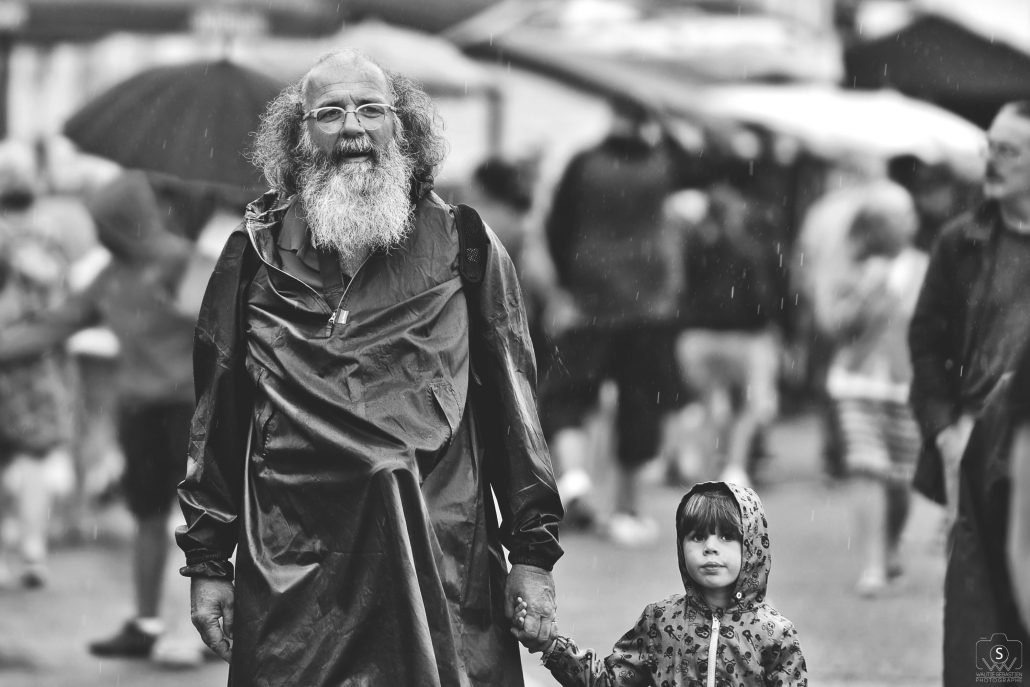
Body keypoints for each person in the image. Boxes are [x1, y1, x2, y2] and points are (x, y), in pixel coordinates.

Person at [174, 49, 563, 686]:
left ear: (400, 127)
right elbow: (217, 418)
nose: (353, 126)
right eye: (329, 112)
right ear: (299, 138)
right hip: (295, 571)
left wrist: (533, 554)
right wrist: (209, 563)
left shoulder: (462, 241)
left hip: (437, 555)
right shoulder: (252, 253)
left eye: (370, 109)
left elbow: (513, 408)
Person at [0, 170, 208, 659]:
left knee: (199, 524)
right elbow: (57, 323)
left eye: (107, 223)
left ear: (128, 221)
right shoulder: (111, 274)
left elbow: (220, 327)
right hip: (140, 409)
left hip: (191, 411)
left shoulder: (182, 262)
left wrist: (183, 298)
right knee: (147, 517)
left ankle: (196, 630)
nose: (99, 234)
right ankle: (146, 622)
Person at [530, 98, 694, 545]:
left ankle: (577, 479)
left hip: (589, 300)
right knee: (641, 404)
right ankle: (627, 509)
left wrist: (566, 285)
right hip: (649, 304)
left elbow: (558, 226)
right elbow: (701, 161)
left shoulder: (584, 163)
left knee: (566, 395)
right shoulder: (665, 163)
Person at [513, 481, 807, 685]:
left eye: (727, 537)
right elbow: (609, 682)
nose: (710, 548)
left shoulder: (774, 634)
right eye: (698, 537)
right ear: (682, 546)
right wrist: (551, 646)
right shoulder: (661, 621)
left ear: (753, 546)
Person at [909, 100, 1030, 533]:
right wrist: (944, 430)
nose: (992, 162)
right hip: (973, 431)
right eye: (990, 147)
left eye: (1009, 151)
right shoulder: (960, 241)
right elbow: (925, 340)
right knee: (972, 587)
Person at [814, 182, 926, 596]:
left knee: (899, 479)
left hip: (906, 386)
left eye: (904, 216)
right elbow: (832, 324)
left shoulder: (926, 267)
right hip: (856, 383)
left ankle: (890, 544)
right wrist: (866, 291)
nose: (898, 224)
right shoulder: (850, 266)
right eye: (889, 217)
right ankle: (873, 565)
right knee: (866, 467)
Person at [674, 182, 783, 488]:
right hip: (742, 338)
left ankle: (706, 474)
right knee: (752, 406)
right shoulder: (749, 250)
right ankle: (735, 466)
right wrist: (771, 325)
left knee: (711, 406)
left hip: (698, 338)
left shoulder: (692, 248)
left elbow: (680, 289)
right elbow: (763, 297)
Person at [0, 141, 73, 589]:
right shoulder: (47, 231)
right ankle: (32, 549)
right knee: (32, 456)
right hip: (34, 355)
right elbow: (60, 297)